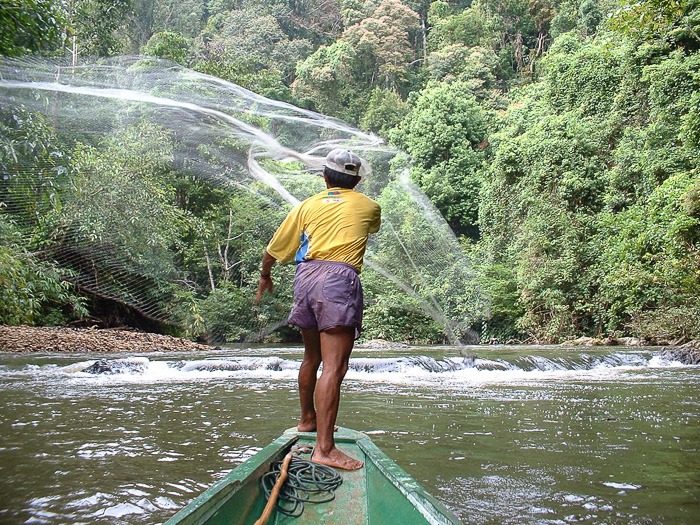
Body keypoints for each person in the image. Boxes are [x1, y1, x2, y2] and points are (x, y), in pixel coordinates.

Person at [256, 149, 381, 471]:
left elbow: (273, 249)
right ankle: (324, 449)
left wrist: (265, 276)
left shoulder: (306, 206)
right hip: (338, 279)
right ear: (357, 179)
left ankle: (307, 421)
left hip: (306, 278)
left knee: (312, 357)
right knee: (334, 368)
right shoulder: (369, 205)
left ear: (324, 177)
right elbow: (371, 227)